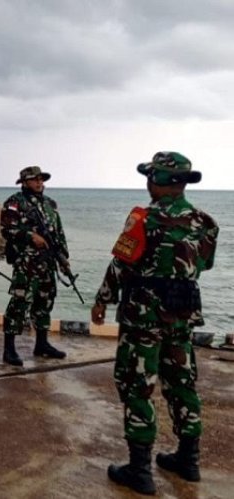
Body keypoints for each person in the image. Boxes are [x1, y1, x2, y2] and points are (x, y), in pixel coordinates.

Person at [91, 152, 218, 495]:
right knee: (181, 382)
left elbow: (121, 265)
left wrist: (102, 299)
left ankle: (139, 469)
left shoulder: (143, 220)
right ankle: (189, 461)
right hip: (182, 314)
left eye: (150, 177)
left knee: (137, 385)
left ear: (157, 181)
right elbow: (204, 264)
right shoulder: (205, 222)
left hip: (144, 317)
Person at [0, 166, 69, 366]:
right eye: (34, 179)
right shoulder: (14, 203)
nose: (39, 183)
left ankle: (42, 344)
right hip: (27, 263)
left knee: (44, 303)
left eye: (41, 179)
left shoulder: (49, 204)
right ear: (24, 182)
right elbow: (7, 229)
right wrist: (30, 236)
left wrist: (63, 257)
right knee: (19, 304)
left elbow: (59, 233)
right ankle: (9, 349)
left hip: (48, 263)